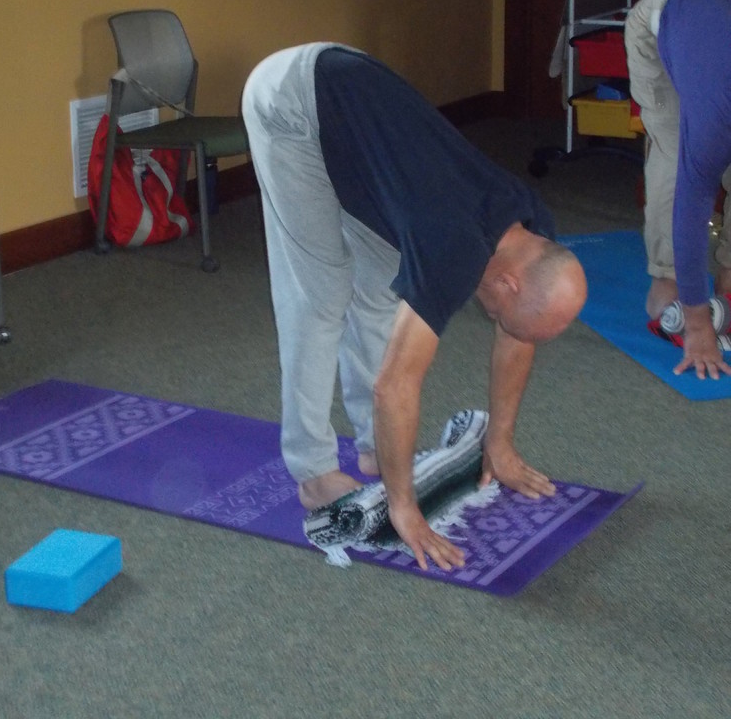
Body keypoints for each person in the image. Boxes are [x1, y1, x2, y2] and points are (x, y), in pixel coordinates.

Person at [241, 43, 587, 571]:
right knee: (320, 293)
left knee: (381, 294)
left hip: (358, 124)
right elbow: (396, 385)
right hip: (290, 101)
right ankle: (310, 468)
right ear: (511, 284)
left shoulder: (531, 229)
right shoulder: (454, 249)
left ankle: (372, 447)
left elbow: (520, 336)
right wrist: (405, 507)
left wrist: (501, 442)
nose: (496, 323)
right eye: (498, 316)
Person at [624, 0, 731, 380]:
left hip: (717, 15)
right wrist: (699, 326)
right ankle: (664, 280)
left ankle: (728, 274)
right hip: (659, 23)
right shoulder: (714, 118)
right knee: (674, 156)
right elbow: (693, 203)